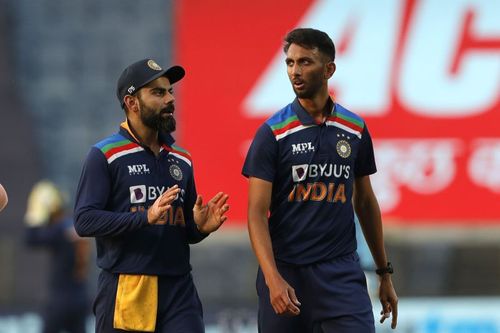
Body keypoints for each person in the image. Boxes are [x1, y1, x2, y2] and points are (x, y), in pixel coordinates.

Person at [242, 28, 398, 332]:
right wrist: (272, 278)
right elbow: (256, 213)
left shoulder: (354, 128)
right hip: (287, 276)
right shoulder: (272, 133)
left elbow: (365, 202)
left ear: (329, 69)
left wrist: (384, 273)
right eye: (290, 63)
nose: (295, 72)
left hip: (341, 276)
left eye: (305, 62)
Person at [74, 58, 229, 333]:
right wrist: (145, 217)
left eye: (170, 91)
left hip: (179, 288)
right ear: (132, 103)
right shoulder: (105, 155)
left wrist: (200, 228)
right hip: (127, 287)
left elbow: (184, 230)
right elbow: (85, 221)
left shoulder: (182, 159)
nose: (170, 99)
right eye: (158, 92)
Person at [24, 180, 90, 333]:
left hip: (60, 299)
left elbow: (31, 239)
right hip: (80, 297)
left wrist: (35, 212)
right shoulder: (73, 225)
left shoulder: (58, 229)